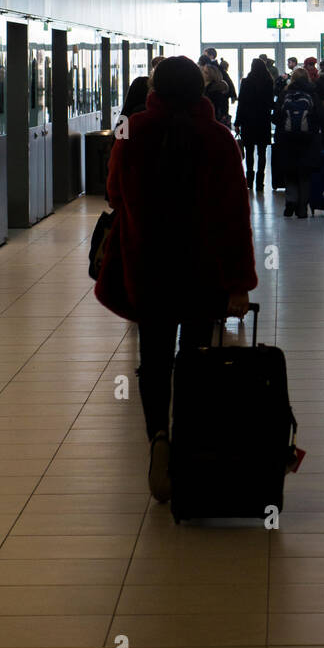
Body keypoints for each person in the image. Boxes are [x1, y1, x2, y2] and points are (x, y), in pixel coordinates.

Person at [105, 57, 256, 500]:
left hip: (148, 269)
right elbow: (235, 217)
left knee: (154, 359)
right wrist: (239, 282)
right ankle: (189, 444)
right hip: (203, 272)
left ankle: (159, 437)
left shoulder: (130, 132)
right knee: (195, 359)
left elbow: (113, 194)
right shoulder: (220, 139)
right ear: (200, 91)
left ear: (156, 89)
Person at [276, 67, 322, 218]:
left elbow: (276, 117)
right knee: (304, 174)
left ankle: (290, 203)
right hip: (308, 139)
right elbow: (320, 117)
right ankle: (302, 208)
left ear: (293, 79)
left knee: (290, 172)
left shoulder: (285, 94)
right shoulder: (313, 93)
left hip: (287, 139)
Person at [234, 57, 274, 191]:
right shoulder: (268, 82)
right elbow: (270, 103)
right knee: (262, 153)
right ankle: (260, 183)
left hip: (248, 121)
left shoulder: (246, 82)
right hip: (263, 121)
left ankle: (249, 181)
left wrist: (237, 122)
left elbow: (241, 103)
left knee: (249, 151)